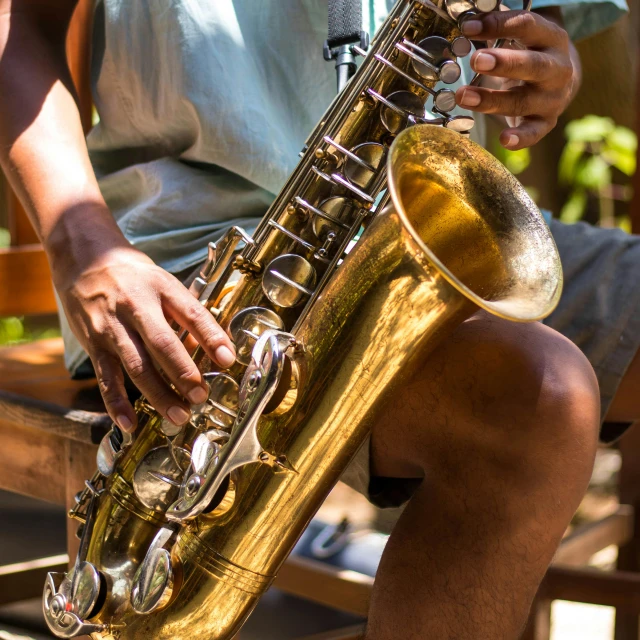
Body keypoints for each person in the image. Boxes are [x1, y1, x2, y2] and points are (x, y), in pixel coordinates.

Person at [0, 1, 636, 638]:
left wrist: (552, 63)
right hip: (196, 264)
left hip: (420, 216)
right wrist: (81, 243)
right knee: (534, 396)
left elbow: (546, 20)